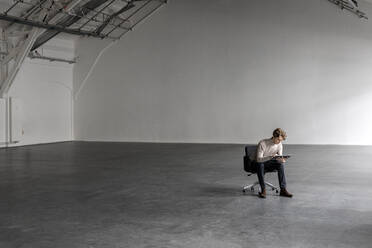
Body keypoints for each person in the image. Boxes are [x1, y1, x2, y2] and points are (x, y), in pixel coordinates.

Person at [250, 128, 293, 198]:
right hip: (258, 164)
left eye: (281, 140)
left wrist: (282, 160)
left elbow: (279, 156)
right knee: (260, 164)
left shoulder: (279, 144)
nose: (279, 142)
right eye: (278, 140)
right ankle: (263, 190)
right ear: (274, 136)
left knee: (280, 164)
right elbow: (258, 159)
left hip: (268, 163)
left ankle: (283, 189)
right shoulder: (263, 143)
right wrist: (269, 157)